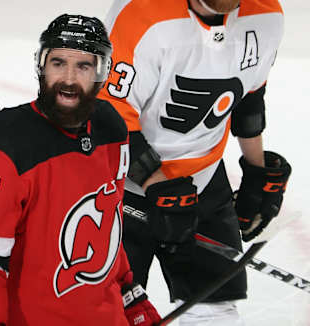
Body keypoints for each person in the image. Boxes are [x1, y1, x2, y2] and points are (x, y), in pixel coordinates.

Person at [0, 14, 161, 326]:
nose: (68, 79)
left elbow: (106, 231)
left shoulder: (111, 128)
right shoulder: (8, 139)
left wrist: (131, 297)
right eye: (58, 63)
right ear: (41, 65)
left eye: (84, 66)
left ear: (101, 72)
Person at [98, 0, 292, 324]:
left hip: (204, 182)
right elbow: (109, 122)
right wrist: (155, 183)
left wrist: (257, 172)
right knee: (110, 312)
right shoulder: (140, 14)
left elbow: (249, 97)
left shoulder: (266, 14)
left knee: (215, 311)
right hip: (119, 190)